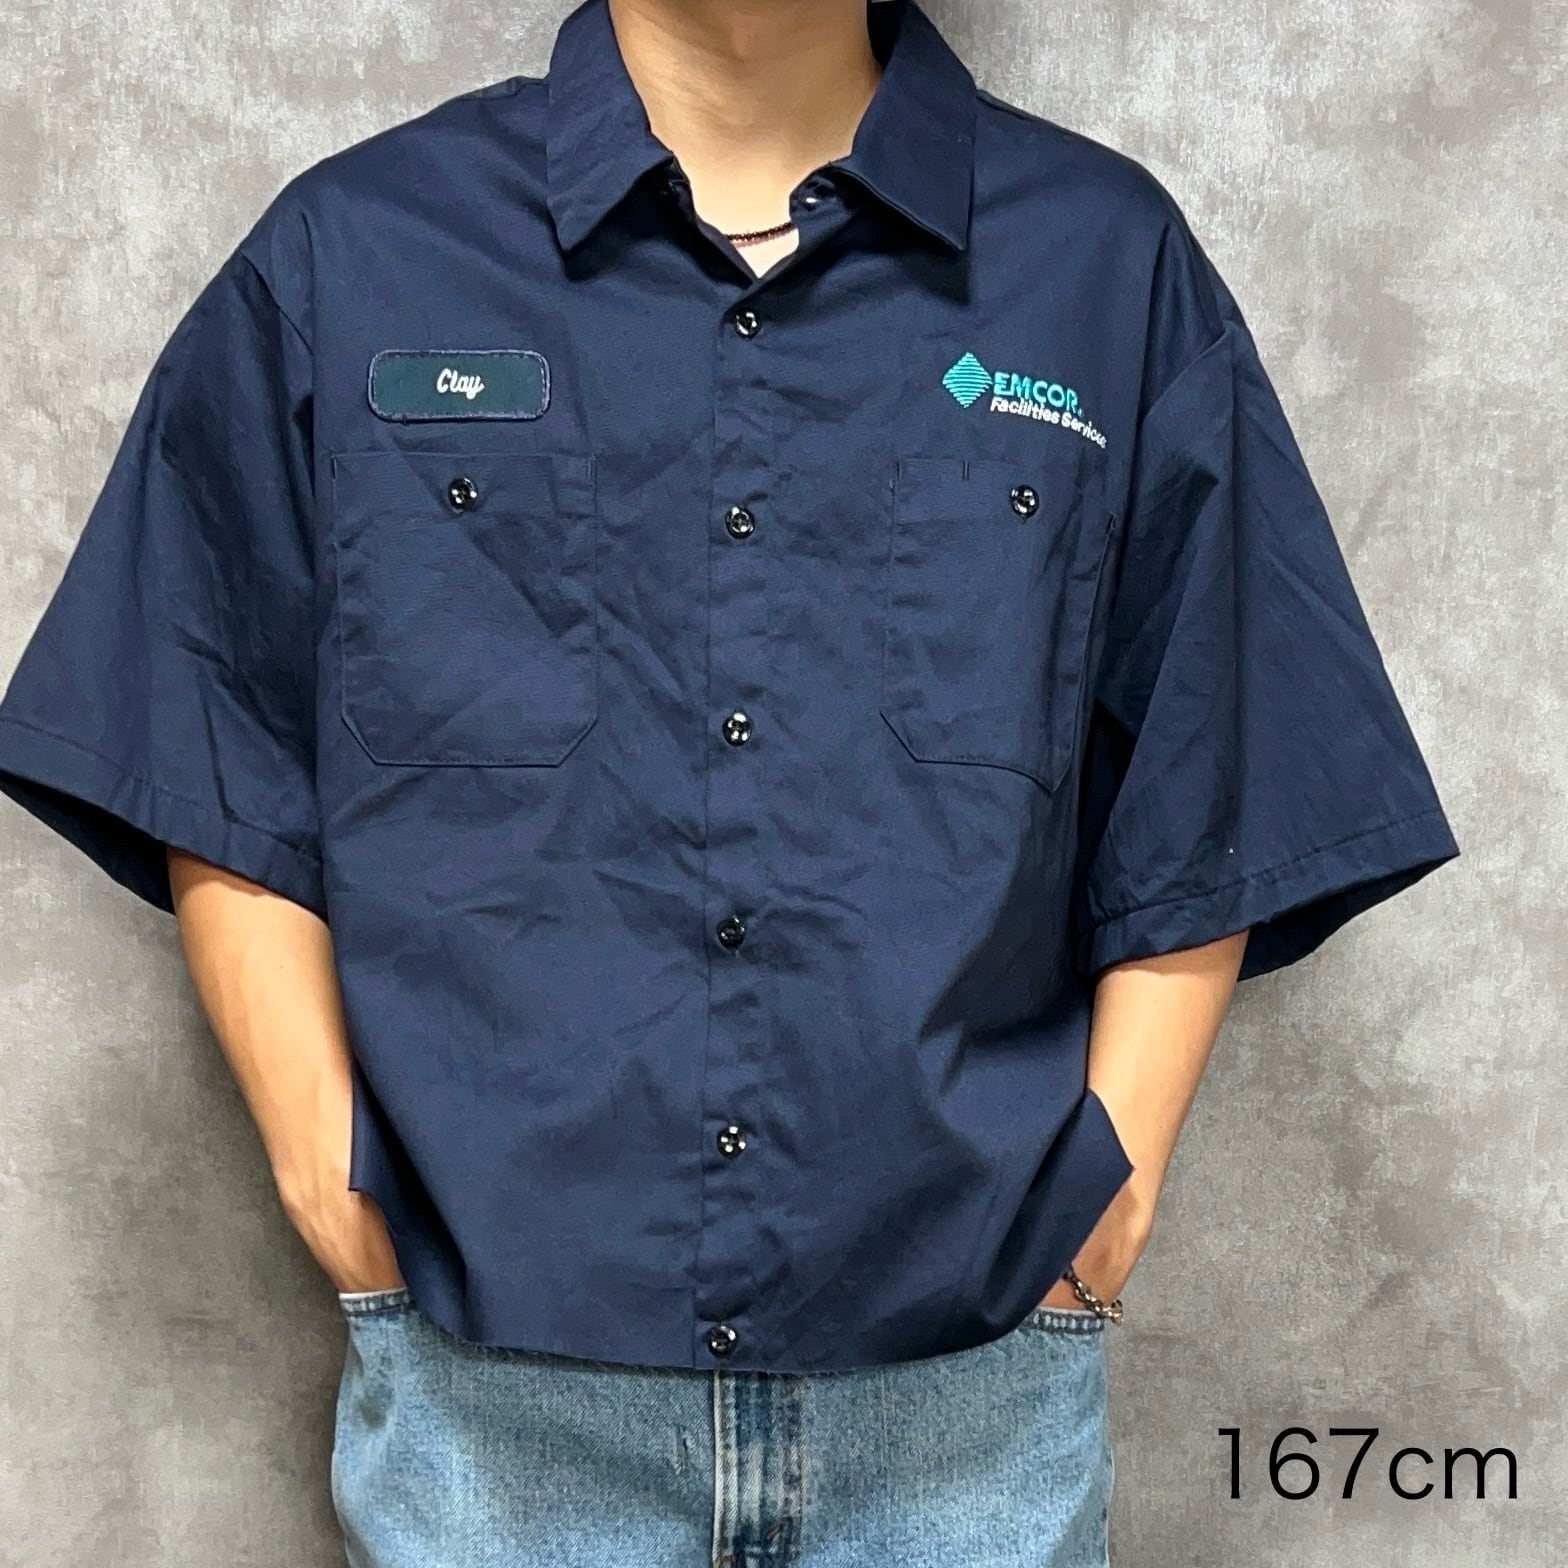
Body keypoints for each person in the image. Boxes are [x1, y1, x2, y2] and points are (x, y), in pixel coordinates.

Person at [0, 0, 1460, 1562]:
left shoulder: (1104, 265)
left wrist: (1113, 1187)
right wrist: (322, 1169)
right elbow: (208, 728)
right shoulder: (358, 255)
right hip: (494, 1424)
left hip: (965, 1413)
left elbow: (1220, 753)